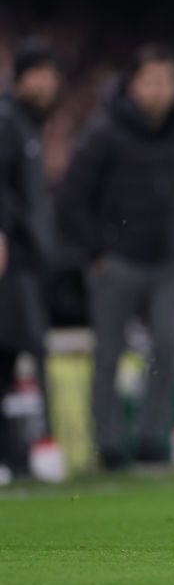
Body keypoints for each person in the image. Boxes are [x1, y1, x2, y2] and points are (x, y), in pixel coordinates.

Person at [59, 45, 174, 469]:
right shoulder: (104, 132)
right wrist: (97, 252)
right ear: (133, 84)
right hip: (116, 263)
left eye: (167, 81)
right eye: (150, 80)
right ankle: (108, 444)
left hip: (164, 262)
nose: (159, 90)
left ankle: (153, 439)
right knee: (109, 351)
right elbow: (71, 198)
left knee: (166, 345)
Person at [0, 41, 63, 483]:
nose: (45, 82)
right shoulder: (7, 121)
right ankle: (14, 456)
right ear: (19, 78)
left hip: (26, 259)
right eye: (35, 73)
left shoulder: (25, 124)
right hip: (10, 258)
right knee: (10, 355)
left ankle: (19, 456)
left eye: (49, 72)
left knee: (13, 359)